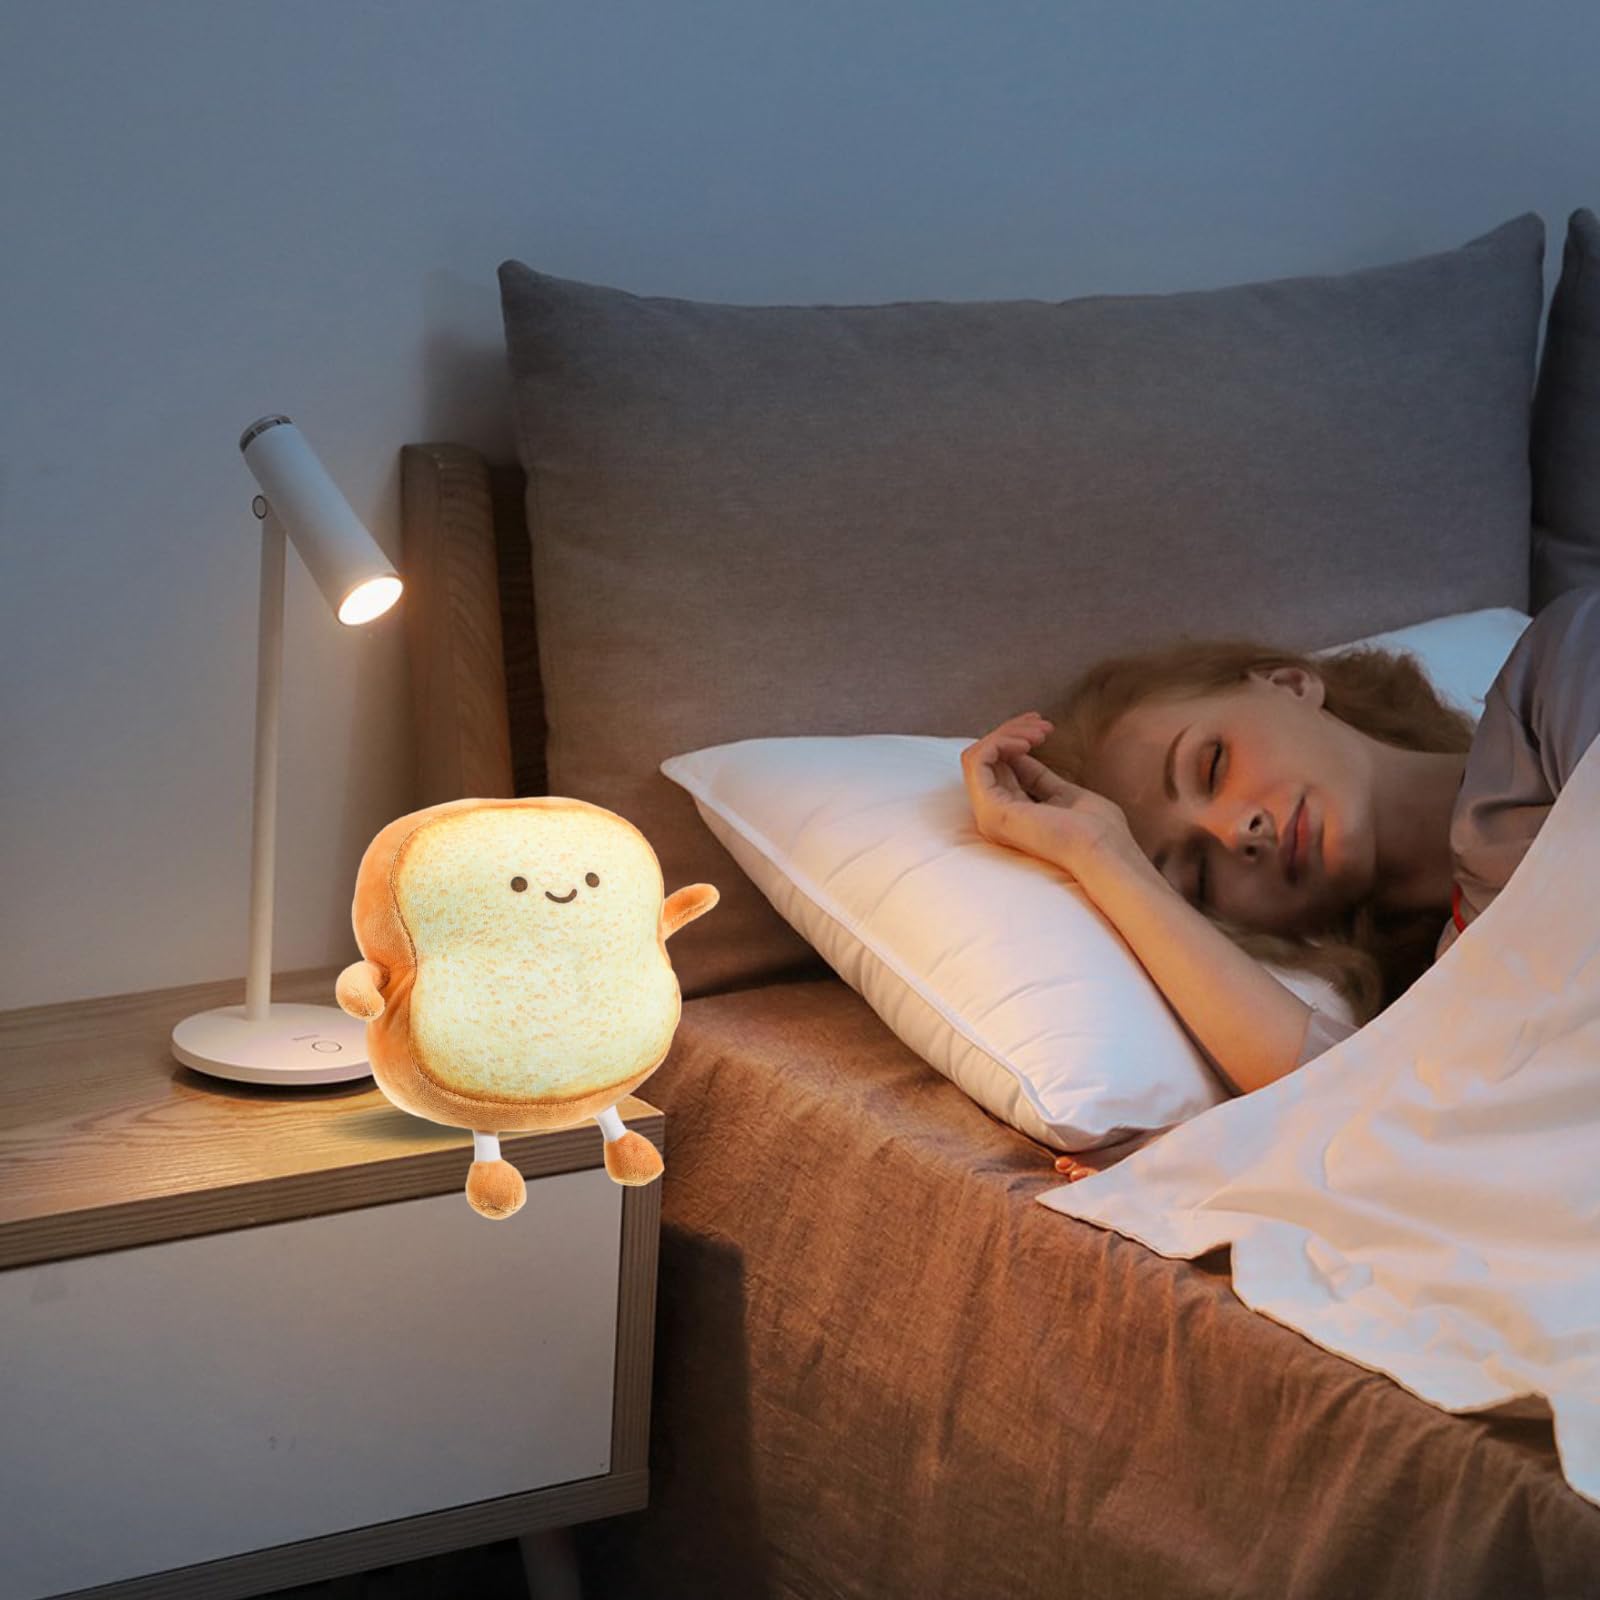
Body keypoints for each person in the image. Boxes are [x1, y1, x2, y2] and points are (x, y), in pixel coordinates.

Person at [961, 585, 1600, 1182]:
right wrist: (1099, 853)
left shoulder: (1561, 670)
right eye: (1199, 875)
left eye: (1212, 766)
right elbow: (1354, 1113)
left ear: (1290, 683)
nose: (1237, 833)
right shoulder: (1431, 1022)